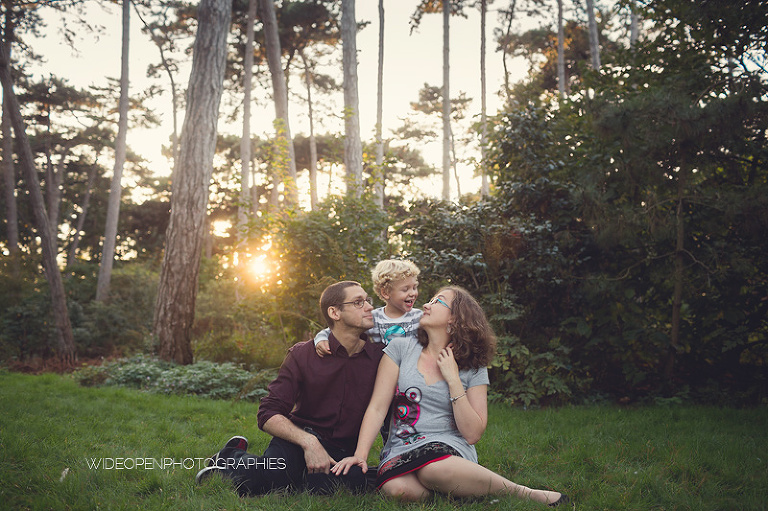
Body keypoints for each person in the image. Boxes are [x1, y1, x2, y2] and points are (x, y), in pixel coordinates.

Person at [331, 286, 569, 507]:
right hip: (400, 448)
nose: (426, 304)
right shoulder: (400, 348)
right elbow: (377, 408)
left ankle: (523, 492)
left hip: (447, 448)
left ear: (455, 319)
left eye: (438, 301)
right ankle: (463, 490)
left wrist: (454, 379)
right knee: (398, 490)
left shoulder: (473, 366)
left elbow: (473, 433)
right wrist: (361, 455)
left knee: (433, 471)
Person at [196, 281, 385, 496]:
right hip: (298, 439)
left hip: (343, 450)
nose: (370, 307)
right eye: (359, 302)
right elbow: (268, 413)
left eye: (368, 301)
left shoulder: (381, 358)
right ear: (334, 312)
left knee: (342, 487)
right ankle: (230, 457)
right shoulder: (302, 354)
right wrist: (309, 443)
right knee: (276, 478)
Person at [314, 259, 422, 356]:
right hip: (384, 370)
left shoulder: (418, 317)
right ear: (385, 293)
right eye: (405, 289)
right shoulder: (373, 318)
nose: (413, 293)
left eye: (414, 287)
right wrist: (320, 339)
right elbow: (331, 331)